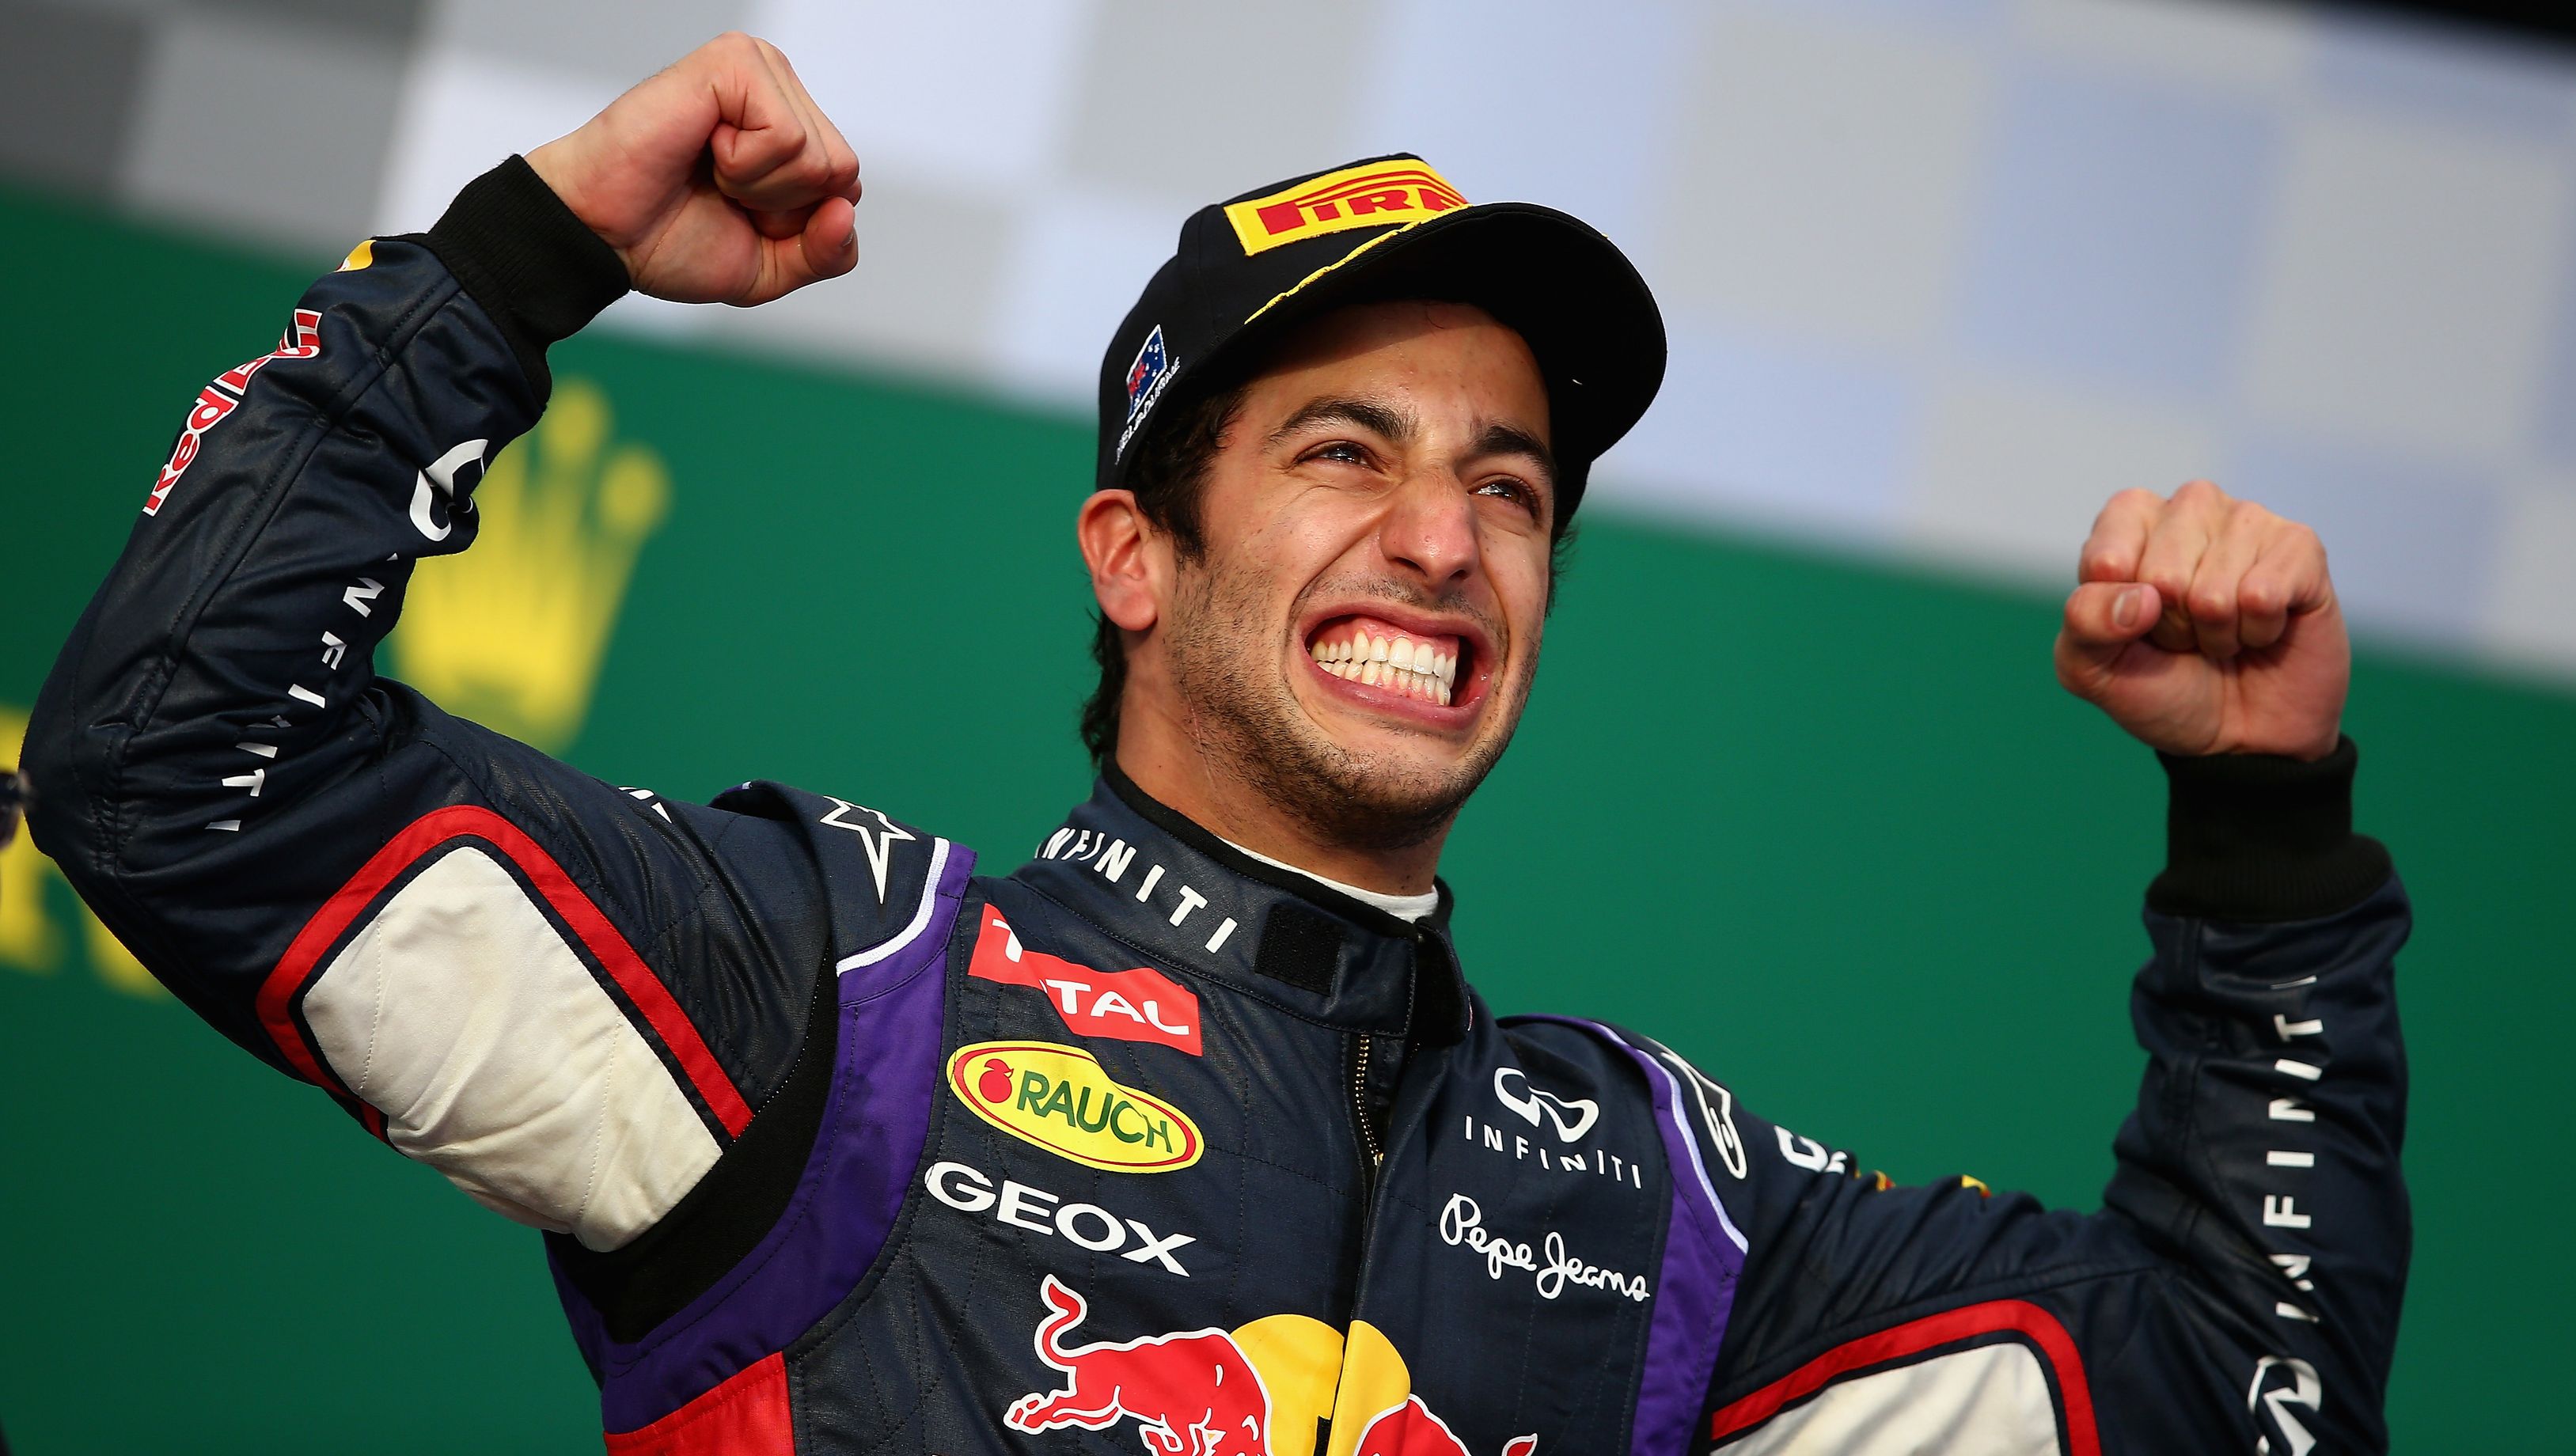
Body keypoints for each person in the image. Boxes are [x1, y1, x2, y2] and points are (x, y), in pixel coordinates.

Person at [25, 33, 2406, 1456]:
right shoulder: (838, 997)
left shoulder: (1660, 1201)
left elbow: (2242, 1396)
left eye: (1506, 484)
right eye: (1343, 456)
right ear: (1134, 554)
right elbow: (170, 766)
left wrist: (2263, 838)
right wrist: (506, 270)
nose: (1445, 542)